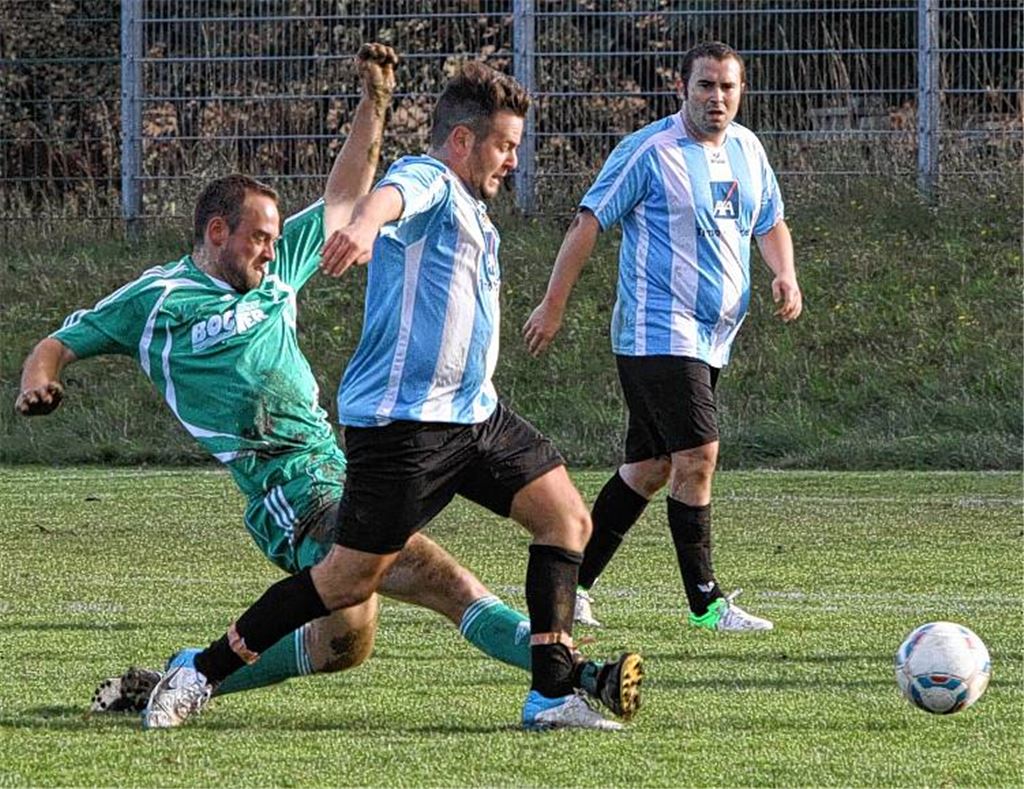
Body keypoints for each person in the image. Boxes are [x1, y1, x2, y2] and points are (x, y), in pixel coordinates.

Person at [16, 46, 636, 725]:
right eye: (257, 236)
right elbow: (59, 342)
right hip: (290, 486)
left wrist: (373, 107)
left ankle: (190, 671)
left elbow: (345, 197)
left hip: (381, 447)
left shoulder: (277, 269)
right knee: (417, 585)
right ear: (216, 231)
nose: (270, 248)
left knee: (348, 639)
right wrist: (39, 382)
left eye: (275, 236)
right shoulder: (159, 299)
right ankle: (197, 672)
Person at [522, 41, 803, 632]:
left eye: (727, 86)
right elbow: (588, 221)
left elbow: (771, 220)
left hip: (712, 337)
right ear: (683, 89)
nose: (717, 97)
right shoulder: (650, 151)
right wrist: (553, 305)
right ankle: (706, 601)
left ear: (741, 92)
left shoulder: (749, 150)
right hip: (656, 332)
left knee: (650, 467)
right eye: (705, 85)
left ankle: (573, 584)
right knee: (698, 455)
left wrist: (784, 272)